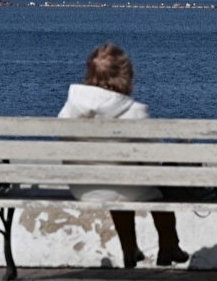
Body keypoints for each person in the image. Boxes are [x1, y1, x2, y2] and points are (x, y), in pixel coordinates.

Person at [58, 42, 189, 269]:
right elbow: (152, 158)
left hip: (83, 187)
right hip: (125, 187)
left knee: (117, 182)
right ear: (126, 76)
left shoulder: (72, 107)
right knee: (156, 190)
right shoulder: (135, 111)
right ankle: (169, 244)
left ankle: (129, 250)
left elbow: (62, 139)